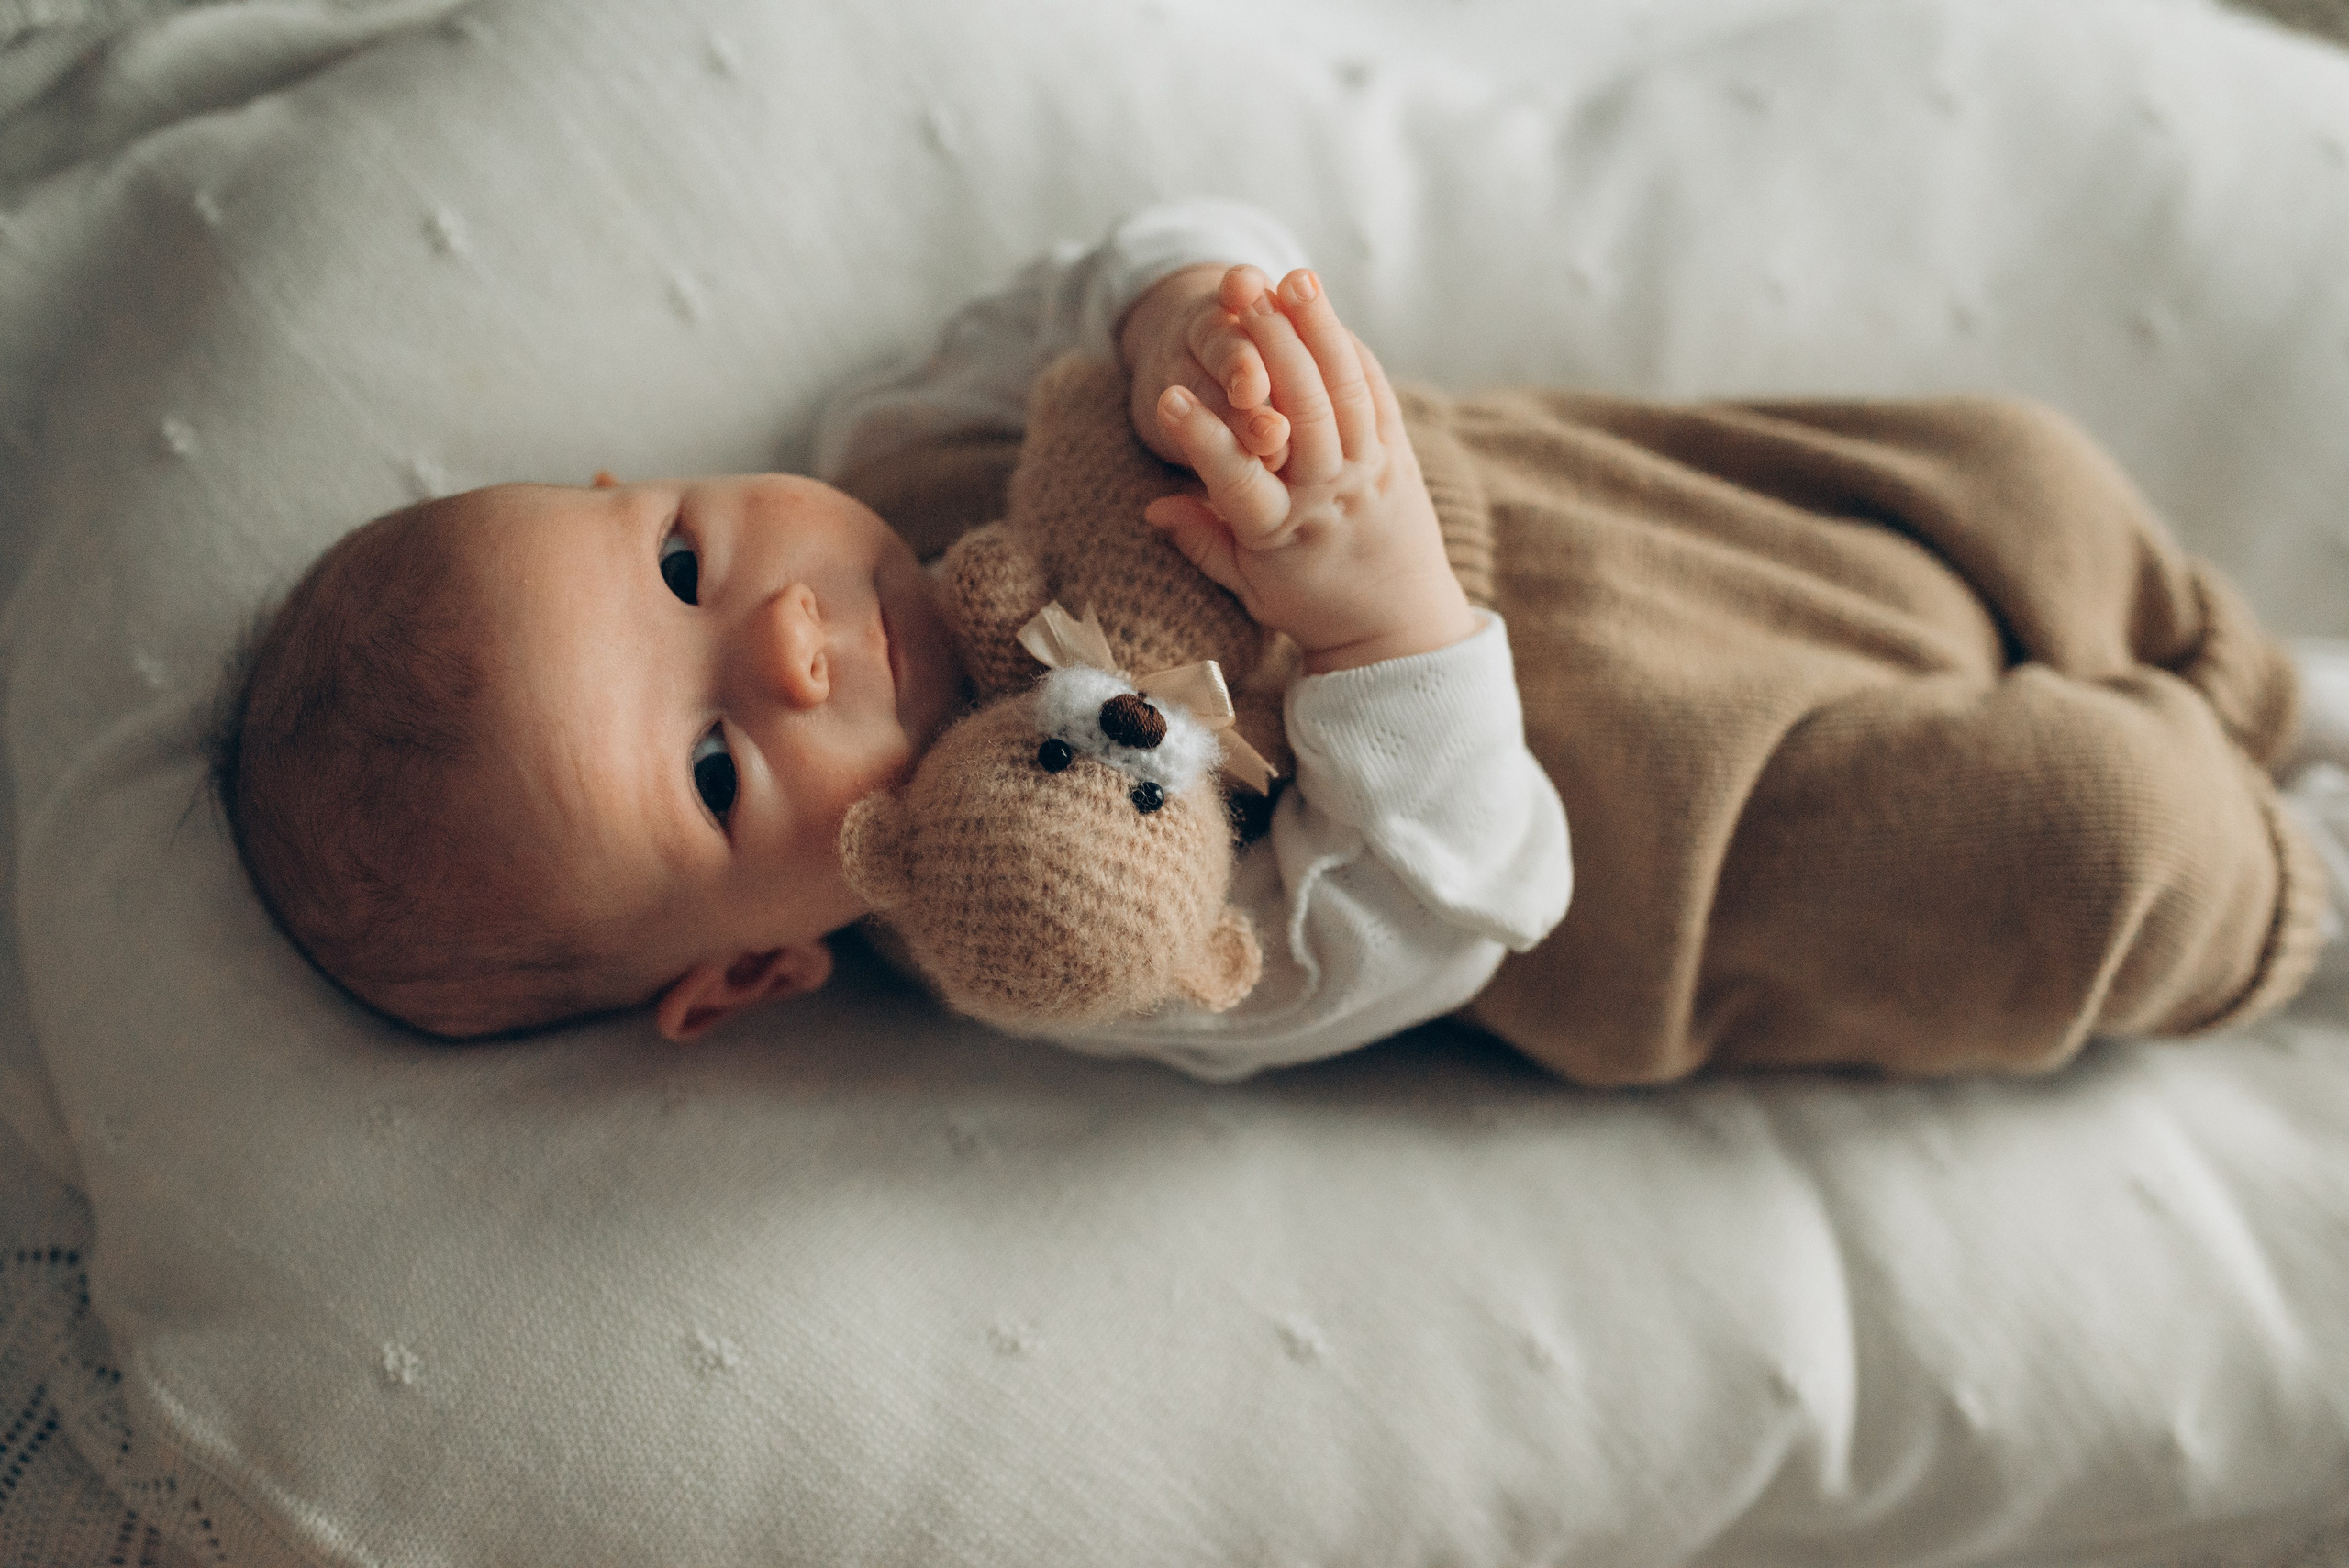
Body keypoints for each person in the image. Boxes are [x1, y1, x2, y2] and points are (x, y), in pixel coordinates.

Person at [211, 200, 2344, 1084]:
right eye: (709, 771)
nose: (779, 642)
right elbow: (1437, 916)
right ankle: (2294, 884)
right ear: (758, 963)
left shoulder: (899, 452)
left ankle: (2276, 694)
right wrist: (1380, 619)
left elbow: (1120, 256)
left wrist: (1177, 325)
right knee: (2082, 839)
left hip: (1634, 510)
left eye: (680, 565)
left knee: (2023, 476)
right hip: (1669, 835)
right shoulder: (1057, 913)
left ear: (640, 480)